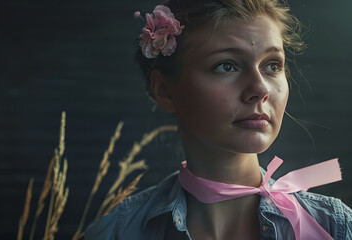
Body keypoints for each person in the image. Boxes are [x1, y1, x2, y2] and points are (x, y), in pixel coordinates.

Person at [85, 0, 352, 239]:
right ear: (164, 90)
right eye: (226, 65)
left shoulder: (336, 227)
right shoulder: (117, 232)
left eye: (272, 65)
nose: (260, 89)